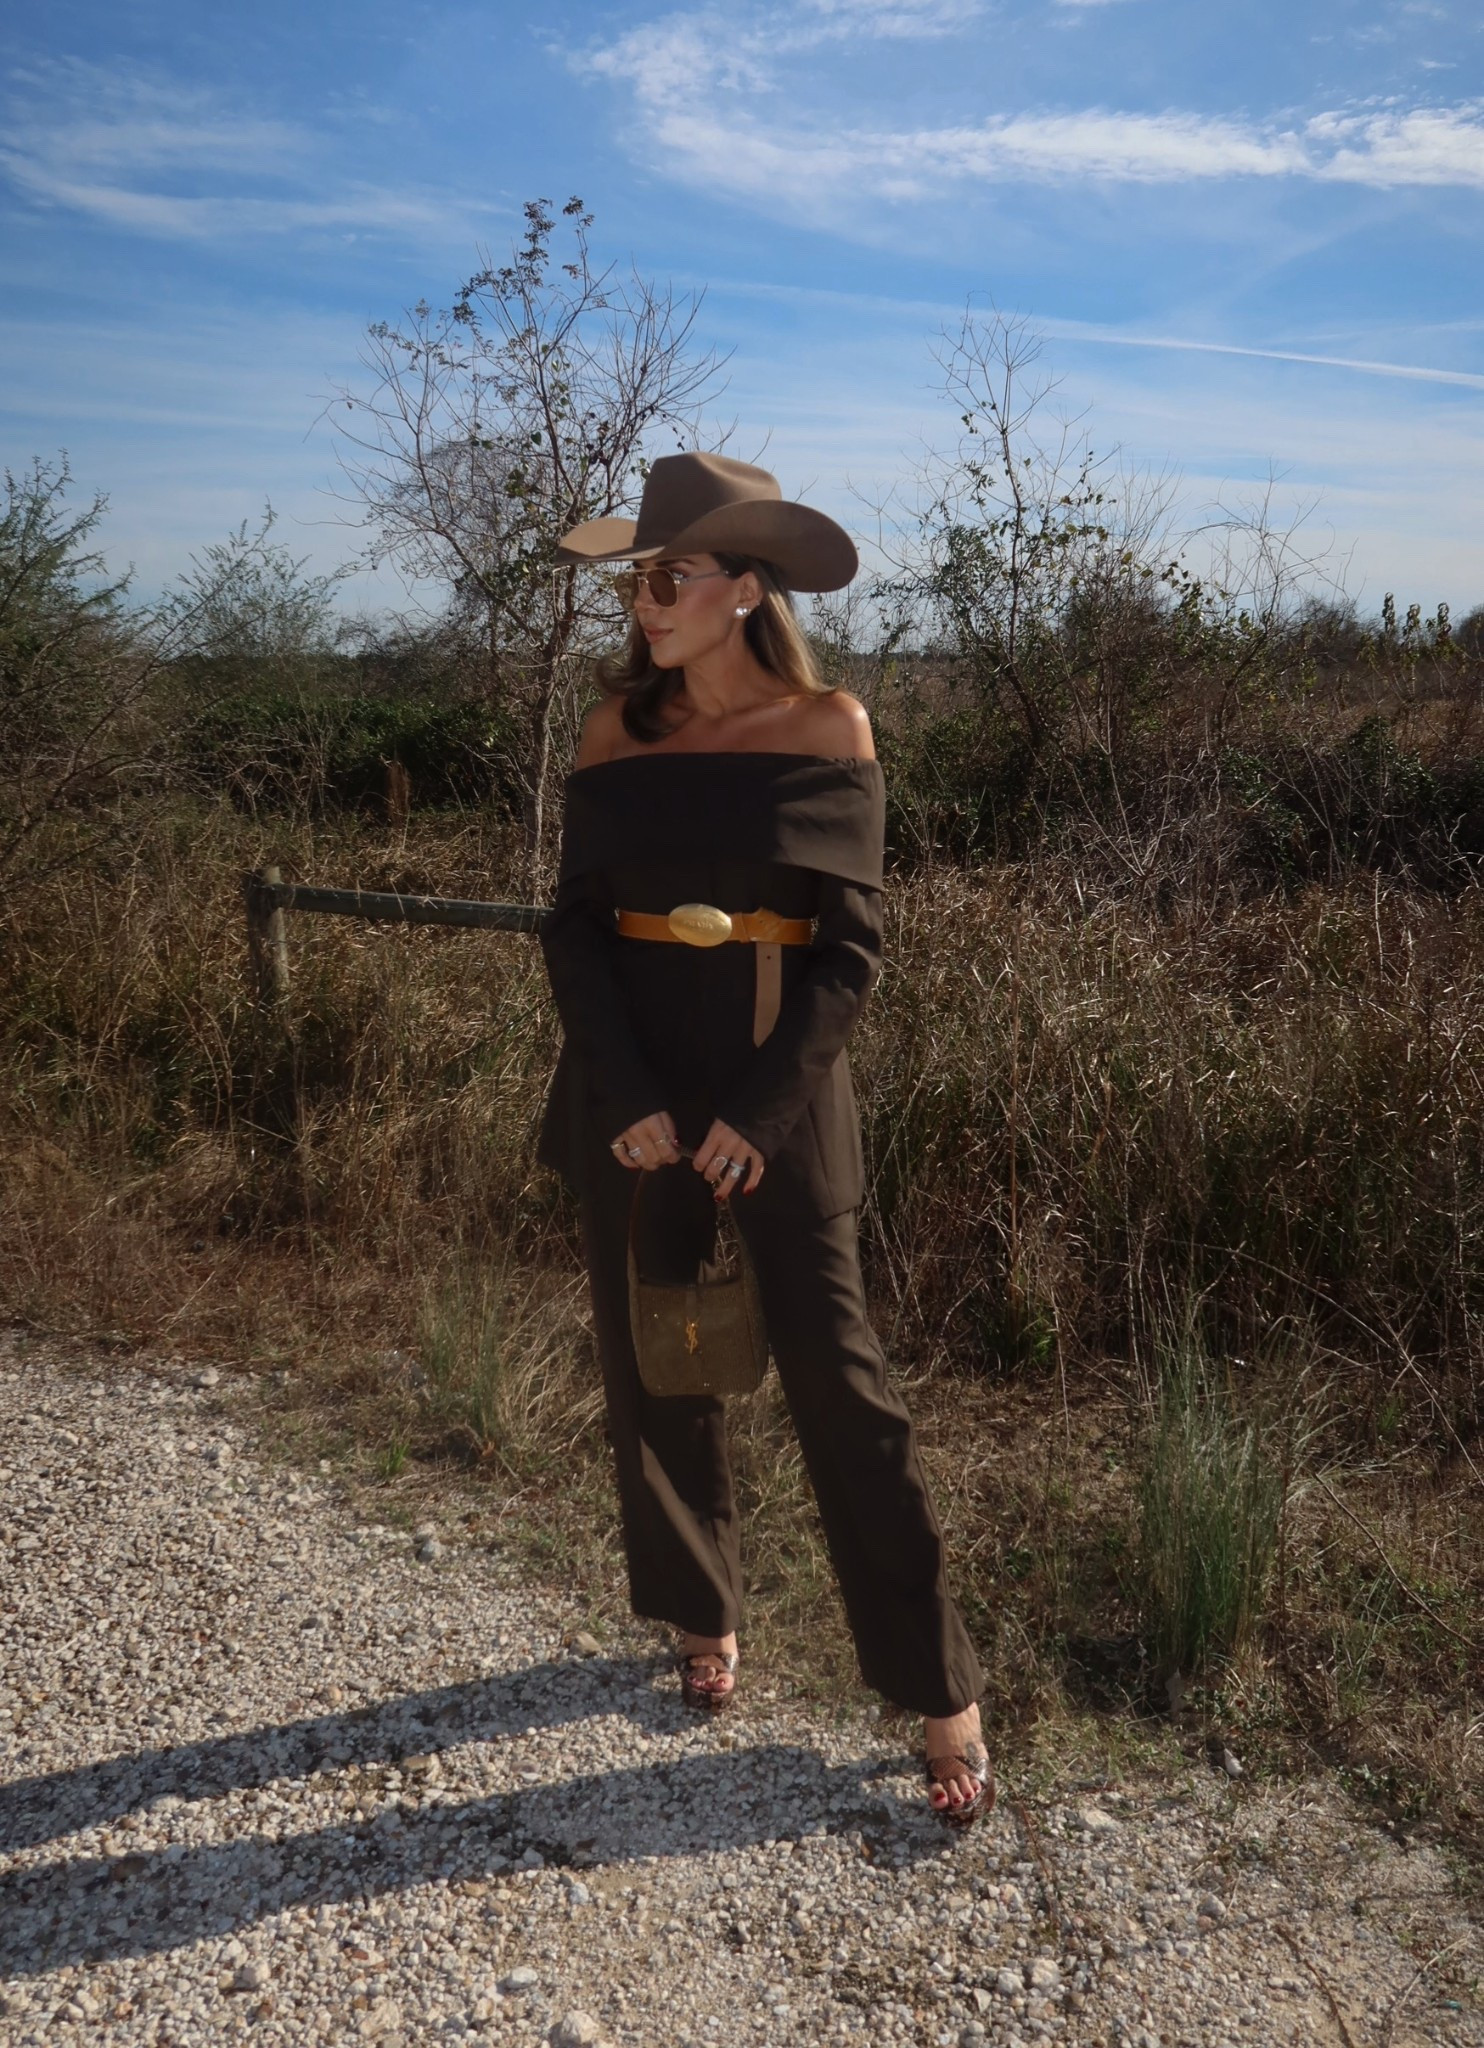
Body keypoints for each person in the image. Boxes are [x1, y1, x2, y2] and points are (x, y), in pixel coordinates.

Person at [535, 452, 992, 1826]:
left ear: (743, 590)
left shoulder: (828, 726)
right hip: (633, 1098)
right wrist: (628, 1100)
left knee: (847, 1397)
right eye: (636, 579)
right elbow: (573, 929)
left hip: (776, 1101)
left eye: (667, 578)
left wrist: (758, 1114)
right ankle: (698, 1611)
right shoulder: (615, 731)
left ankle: (939, 1690)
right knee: (658, 1363)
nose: (645, 602)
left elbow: (848, 956)